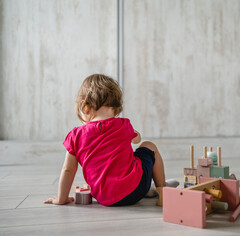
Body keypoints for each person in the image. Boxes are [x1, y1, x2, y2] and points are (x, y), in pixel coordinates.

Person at [44, 74, 178, 206]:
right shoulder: (123, 125)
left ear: (85, 107)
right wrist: (133, 133)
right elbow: (137, 140)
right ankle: (163, 189)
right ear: (116, 109)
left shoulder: (76, 135)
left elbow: (68, 169)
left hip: (103, 197)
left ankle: (150, 189)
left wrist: (61, 198)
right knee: (149, 146)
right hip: (135, 190)